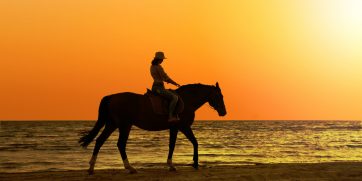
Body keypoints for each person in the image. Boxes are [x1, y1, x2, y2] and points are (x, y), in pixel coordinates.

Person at [150, 51, 181, 122]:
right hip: (159, 87)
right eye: (162, 59)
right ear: (159, 59)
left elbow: (162, 77)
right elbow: (165, 77)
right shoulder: (159, 67)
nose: (162, 61)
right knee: (174, 97)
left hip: (154, 87)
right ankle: (170, 116)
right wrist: (175, 83)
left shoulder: (152, 67)